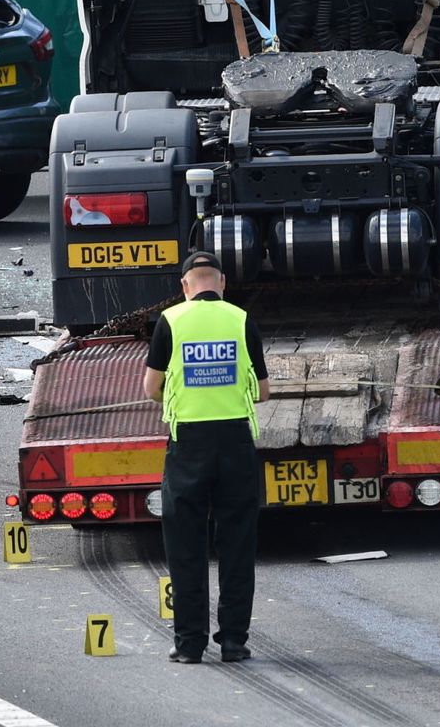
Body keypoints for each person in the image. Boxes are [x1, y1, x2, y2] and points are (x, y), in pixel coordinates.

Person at [143, 249, 269, 665]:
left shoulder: (171, 320)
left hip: (189, 446)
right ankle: (234, 641)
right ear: (222, 283)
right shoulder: (241, 319)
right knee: (237, 545)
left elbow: (151, 386)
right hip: (235, 442)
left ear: (185, 286)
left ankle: (189, 644)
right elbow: (263, 391)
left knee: (186, 547)